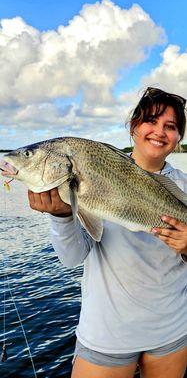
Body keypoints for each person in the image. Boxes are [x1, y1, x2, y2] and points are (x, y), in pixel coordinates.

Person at [28, 87, 187, 378]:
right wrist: (62, 217)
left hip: (171, 331)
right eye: (150, 121)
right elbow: (72, 258)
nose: (159, 132)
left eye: (171, 126)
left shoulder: (185, 187)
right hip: (107, 334)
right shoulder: (89, 176)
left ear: (179, 138)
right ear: (133, 127)